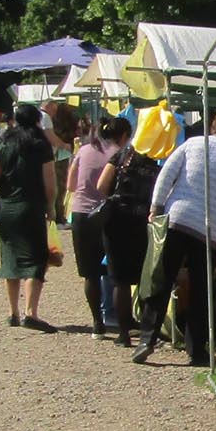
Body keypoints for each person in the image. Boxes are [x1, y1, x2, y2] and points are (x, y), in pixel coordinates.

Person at [134, 111, 216, 367]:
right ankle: (196, 351)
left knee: (161, 281)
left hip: (176, 219)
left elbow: (166, 174)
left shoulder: (192, 143)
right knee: (201, 293)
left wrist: (156, 205)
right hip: (207, 231)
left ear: (214, 128)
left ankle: (146, 340)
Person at [0, 102, 59, 330]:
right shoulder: (41, 145)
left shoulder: (5, 143)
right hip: (32, 207)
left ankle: (13, 312)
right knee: (36, 259)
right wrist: (51, 206)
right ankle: (31, 312)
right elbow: (50, 182)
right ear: (37, 120)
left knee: (11, 259)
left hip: (7, 208)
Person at [98, 115, 156, 345]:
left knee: (120, 280)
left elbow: (102, 186)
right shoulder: (154, 162)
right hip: (141, 220)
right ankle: (145, 332)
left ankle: (123, 335)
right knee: (143, 277)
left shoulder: (120, 156)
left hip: (116, 220)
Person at [64, 120, 119, 338]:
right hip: (109, 214)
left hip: (82, 213)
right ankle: (118, 316)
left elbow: (70, 185)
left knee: (90, 273)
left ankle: (97, 322)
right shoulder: (119, 153)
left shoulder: (83, 150)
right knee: (113, 270)